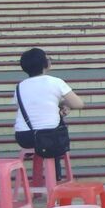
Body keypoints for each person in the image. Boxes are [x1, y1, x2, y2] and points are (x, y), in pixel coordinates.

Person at [13, 47, 83, 181]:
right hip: (49, 138)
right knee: (53, 134)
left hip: (24, 137)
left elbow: (30, 108)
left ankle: (48, 180)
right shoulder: (56, 82)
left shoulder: (19, 86)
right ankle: (55, 180)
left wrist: (57, 106)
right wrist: (64, 105)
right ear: (44, 63)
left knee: (49, 134)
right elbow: (78, 103)